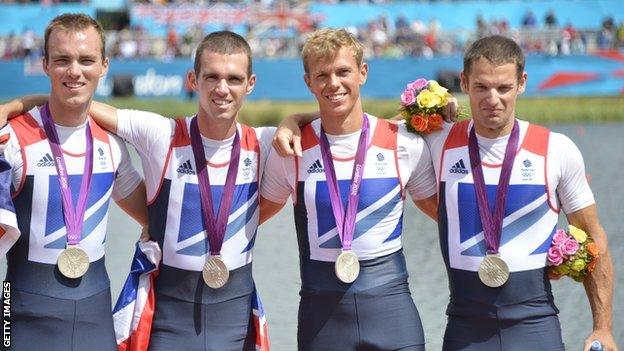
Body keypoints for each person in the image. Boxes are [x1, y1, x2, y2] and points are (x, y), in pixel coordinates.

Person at [273, 35, 618, 351]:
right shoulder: (435, 141)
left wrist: (602, 327)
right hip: (465, 330)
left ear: (522, 84)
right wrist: (293, 120)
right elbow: (354, 126)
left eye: (503, 87)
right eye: (481, 87)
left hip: (536, 326)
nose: (492, 99)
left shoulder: (557, 149)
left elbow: (593, 236)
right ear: (464, 83)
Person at [5, 31, 275, 350]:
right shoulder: (160, 134)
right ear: (192, 80)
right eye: (212, 77)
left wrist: (292, 120)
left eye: (234, 79)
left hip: (235, 323)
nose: (222, 89)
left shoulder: (267, 143)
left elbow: (330, 126)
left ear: (251, 83)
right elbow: (76, 101)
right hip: (167, 328)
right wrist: (15, 105)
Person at [259, 28, 439, 350]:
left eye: (343, 71)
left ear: (363, 73)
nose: (334, 83)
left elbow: (446, 215)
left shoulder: (404, 143)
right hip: (323, 320)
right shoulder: (292, 149)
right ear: (308, 82)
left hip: (393, 316)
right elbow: (251, 218)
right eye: (322, 75)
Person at [0, 14, 148, 350]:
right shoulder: (10, 140)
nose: (74, 71)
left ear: (104, 65)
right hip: (20, 318)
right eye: (62, 60)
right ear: (45, 65)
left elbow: (154, 221)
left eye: (86, 60)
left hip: (95, 323)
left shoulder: (112, 146)